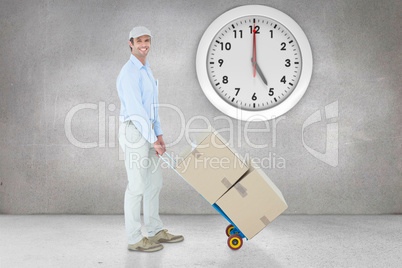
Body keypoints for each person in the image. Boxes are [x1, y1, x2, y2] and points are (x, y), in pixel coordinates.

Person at [116, 26, 184, 252]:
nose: (144, 44)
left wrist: (160, 135)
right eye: (139, 41)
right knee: (136, 186)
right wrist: (152, 138)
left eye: (147, 40)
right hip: (135, 131)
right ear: (130, 43)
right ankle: (135, 239)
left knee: (154, 183)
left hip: (150, 132)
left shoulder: (146, 70)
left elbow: (152, 109)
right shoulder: (129, 72)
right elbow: (136, 111)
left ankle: (154, 232)